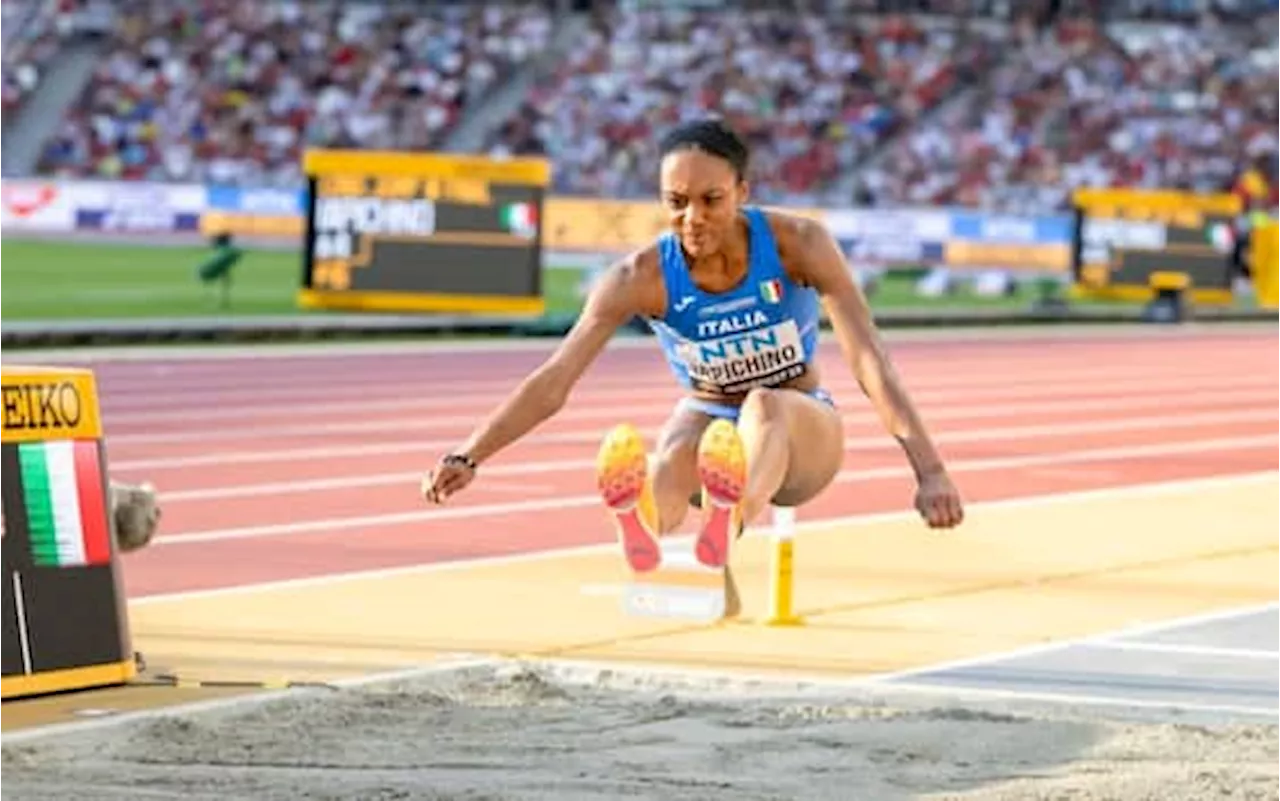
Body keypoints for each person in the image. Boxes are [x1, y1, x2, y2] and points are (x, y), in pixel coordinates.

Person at [422, 118, 964, 576]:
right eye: (676, 203)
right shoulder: (641, 276)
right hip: (709, 421)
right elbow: (555, 379)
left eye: (711, 200)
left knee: (763, 403)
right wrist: (469, 454)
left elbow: (869, 360)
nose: (692, 218)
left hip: (800, 435)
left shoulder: (798, 244)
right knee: (679, 442)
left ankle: (728, 522)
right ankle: (643, 531)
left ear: (743, 193)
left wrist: (930, 470)